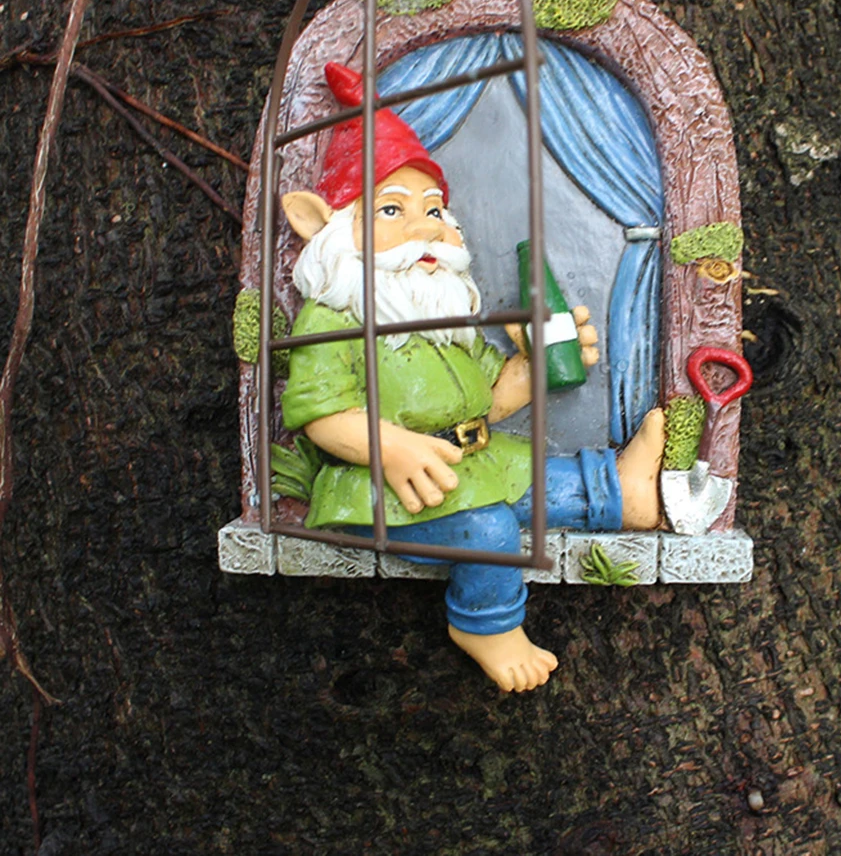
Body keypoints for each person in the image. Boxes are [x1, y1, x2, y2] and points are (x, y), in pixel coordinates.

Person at [281, 63, 665, 692]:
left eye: (434, 209)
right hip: (381, 492)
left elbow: (492, 399)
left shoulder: (441, 317)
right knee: (488, 529)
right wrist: (388, 444)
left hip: (469, 465)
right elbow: (322, 414)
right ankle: (486, 624)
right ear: (326, 224)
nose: (426, 226)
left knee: (540, 478)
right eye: (392, 209)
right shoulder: (333, 319)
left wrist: (533, 366)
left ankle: (623, 491)